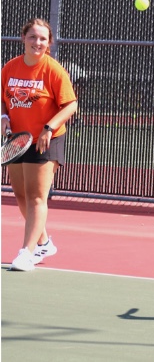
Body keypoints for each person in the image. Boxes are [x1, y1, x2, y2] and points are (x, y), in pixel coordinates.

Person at [1, 18, 78, 271]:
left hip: (47, 139)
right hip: (18, 140)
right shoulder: (10, 67)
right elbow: (2, 97)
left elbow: (71, 105)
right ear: (23, 38)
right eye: (33, 37)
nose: (38, 42)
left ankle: (26, 252)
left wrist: (49, 127)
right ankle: (44, 242)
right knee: (21, 196)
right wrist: (3, 116)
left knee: (36, 197)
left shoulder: (54, 70)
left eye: (43, 39)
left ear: (49, 43)